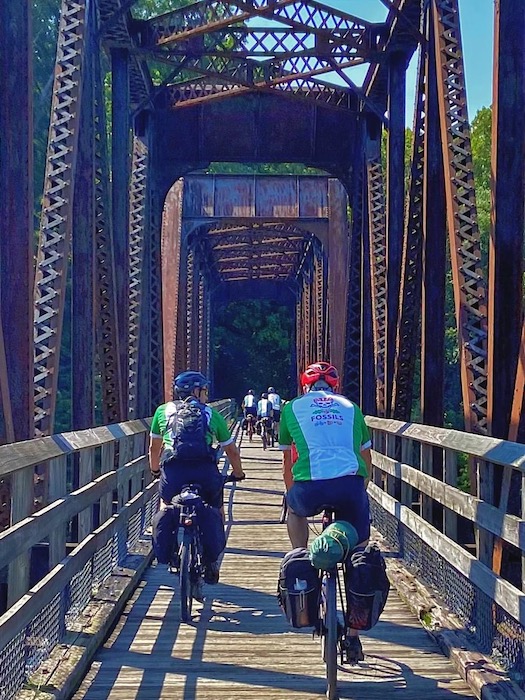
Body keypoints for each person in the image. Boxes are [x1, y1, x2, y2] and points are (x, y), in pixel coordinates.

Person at [278, 361, 372, 660]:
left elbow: (287, 463)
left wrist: (292, 493)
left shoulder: (291, 408)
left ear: (305, 386)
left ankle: (300, 555)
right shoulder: (351, 408)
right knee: (360, 551)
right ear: (334, 387)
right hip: (349, 486)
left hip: (309, 487)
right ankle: (354, 636)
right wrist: (360, 490)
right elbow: (366, 458)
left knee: (294, 509)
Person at [149, 370, 245, 589]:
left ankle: (169, 550)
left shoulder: (163, 411)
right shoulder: (211, 414)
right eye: (203, 390)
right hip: (205, 472)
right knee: (216, 507)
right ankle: (212, 561)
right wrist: (238, 473)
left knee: (165, 504)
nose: (206, 394)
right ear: (195, 391)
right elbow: (231, 450)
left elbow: (154, 448)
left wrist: (155, 470)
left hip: (173, 473)